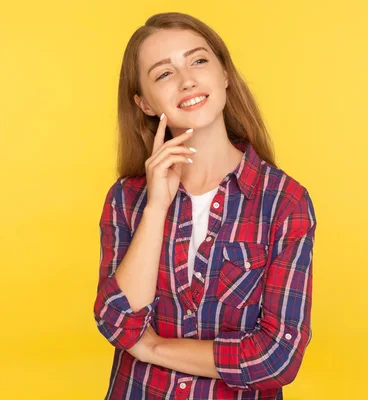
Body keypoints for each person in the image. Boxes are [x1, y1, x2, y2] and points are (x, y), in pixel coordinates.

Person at [93, 12, 317, 400]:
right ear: (144, 103)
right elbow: (118, 324)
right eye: (163, 73)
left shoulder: (284, 201)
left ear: (225, 74)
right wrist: (156, 207)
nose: (187, 80)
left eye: (198, 60)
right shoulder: (127, 200)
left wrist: (152, 348)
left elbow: (278, 358)